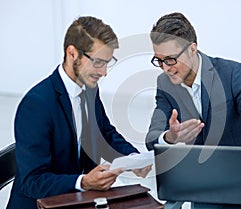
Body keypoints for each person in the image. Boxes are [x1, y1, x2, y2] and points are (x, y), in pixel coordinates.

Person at [6, 16, 151, 209]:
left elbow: (104, 133)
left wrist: (133, 159)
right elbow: (33, 182)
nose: (104, 72)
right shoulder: (37, 104)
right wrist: (83, 182)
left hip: (75, 201)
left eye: (108, 62)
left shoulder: (89, 89)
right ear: (72, 53)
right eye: (98, 62)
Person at [145, 12, 241, 207]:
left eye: (171, 59)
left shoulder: (231, 73)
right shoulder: (165, 84)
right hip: (206, 182)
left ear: (192, 49)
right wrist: (170, 137)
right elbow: (152, 138)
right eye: (159, 60)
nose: (165, 68)